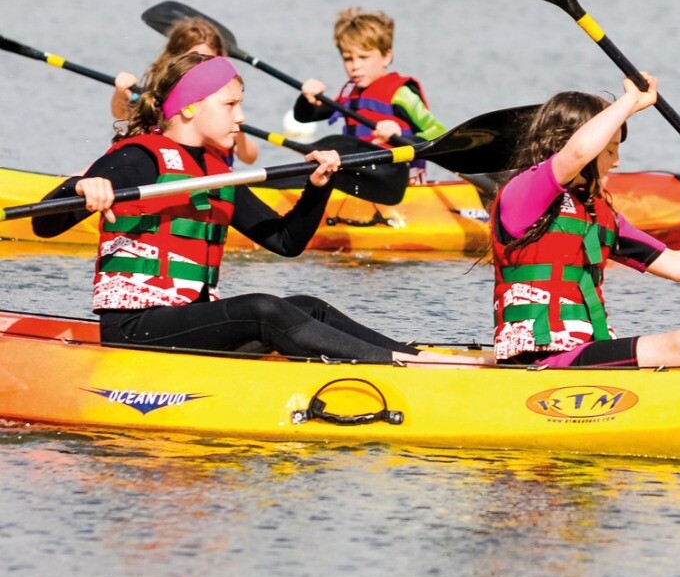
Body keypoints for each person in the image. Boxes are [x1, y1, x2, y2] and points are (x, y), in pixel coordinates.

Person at [33, 53, 483, 367]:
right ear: (189, 109)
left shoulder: (214, 170)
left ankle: (418, 356)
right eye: (230, 105)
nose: (241, 116)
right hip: (134, 328)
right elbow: (44, 222)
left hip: (187, 322)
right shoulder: (139, 158)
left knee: (309, 305)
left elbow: (285, 242)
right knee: (263, 308)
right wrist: (81, 185)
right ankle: (399, 367)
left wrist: (317, 188)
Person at [492, 73, 680, 371]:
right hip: (537, 359)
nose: (617, 161)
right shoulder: (524, 196)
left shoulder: (599, 215)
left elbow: (675, 264)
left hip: (584, 355)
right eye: (610, 149)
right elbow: (577, 152)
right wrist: (629, 102)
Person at [294, 7, 447, 184]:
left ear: (386, 57)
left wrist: (400, 137)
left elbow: (439, 134)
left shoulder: (401, 94)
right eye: (348, 58)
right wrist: (307, 97)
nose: (355, 66)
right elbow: (304, 117)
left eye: (364, 57)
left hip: (402, 184)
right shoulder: (349, 92)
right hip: (363, 180)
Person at [112, 17, 259, 166]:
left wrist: (235, 128)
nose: (200, 65)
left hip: (215, 175)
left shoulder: (225, 107)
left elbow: (249, 158)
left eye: (207, 58)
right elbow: (121, 113)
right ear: (175, 58)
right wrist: (121, 91)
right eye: (193, 58)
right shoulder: (159, 92)